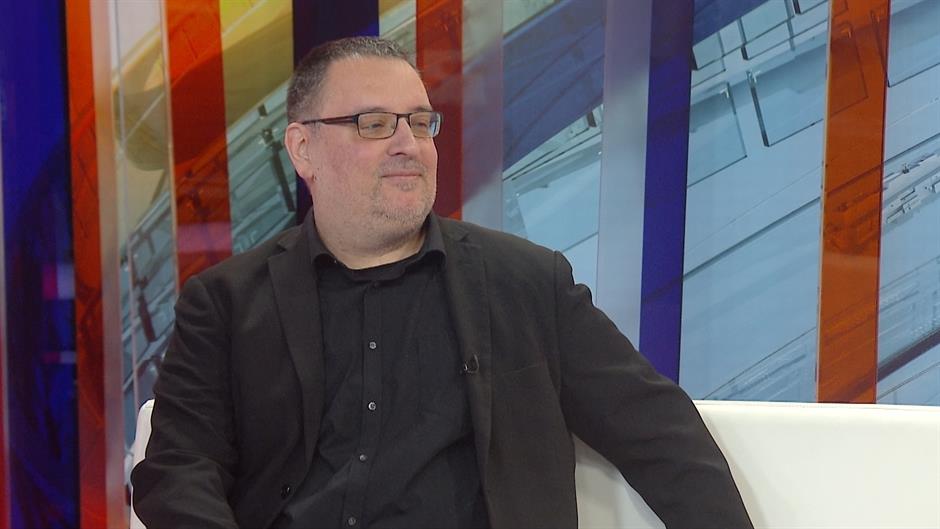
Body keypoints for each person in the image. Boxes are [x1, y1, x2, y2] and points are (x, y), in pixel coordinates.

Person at [131, 36, 752, 529]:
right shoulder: (226, 303)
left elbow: (659, 435)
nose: (408, 144)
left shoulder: (527, 283)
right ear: (303, 149)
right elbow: (176, 470)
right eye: (375, 124)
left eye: (421, 122)